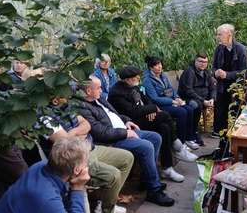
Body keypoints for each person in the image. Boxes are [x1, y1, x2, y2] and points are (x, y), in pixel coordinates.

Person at [75, 76, 175, 207]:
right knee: (146, 146)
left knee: (156, 138)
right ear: (88, 91)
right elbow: (100, 132)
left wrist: (126, 120)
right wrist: (125, 133)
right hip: (112, 140)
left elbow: (113, 115)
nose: (101, 90)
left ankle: (146, 179)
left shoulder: (98, 99)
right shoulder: (83, 107)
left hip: (121, 130)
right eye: (98, 88)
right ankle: (153, 191)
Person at [38, 95, 134, 213]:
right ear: (55, 100)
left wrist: (73, 133)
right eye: (64, 93)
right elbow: (66, 143)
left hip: (90, 147)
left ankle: (106, 202)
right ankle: (107, 210)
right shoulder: (45, 118)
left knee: (127, 158)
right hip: (75, 159)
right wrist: (79, 135)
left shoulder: (66, 107)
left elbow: (87, 124)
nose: (69, 95)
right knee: (113, 175)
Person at [108, 66, 197, 182]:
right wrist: (152, 108)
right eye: (135, 76)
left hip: (143, 118)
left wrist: (151, 109)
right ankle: (178, 147)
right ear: (127, 80)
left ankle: (167, 168)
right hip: (132, 124)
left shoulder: (132, 86)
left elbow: (146, 99)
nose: (138, 77)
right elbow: (132, 111)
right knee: (164, 115)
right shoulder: (116, 93)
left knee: (164, 127)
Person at [0, 136, 91, 213]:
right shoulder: (48, 199)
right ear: (76, 170)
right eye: (86, 163)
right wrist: (77, 188)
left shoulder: (41, 166)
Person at [142, 55, 199, 150]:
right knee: (182, 112)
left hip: (169, 101)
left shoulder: (162, 75)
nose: (160, 67)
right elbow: (154, 98)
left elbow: (171, 88)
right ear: (151, 68)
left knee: (189, 109)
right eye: (156, 65)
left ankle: (189, 138)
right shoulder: (147, 80)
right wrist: (172, 101)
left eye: (160, 64)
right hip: (159, 105)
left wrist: (177, 98)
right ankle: (180, 141)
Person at [212, 24, 247, 147]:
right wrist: (216, 72)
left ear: (229, 35)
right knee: (221, 119)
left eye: (220, 34)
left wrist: (227, 75)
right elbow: (214, 67)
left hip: (236, 90)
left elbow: (245, 73)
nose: (217, 37)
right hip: (222, 89)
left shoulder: (240, 49)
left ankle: (238, 148)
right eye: (217, 34)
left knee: (236, 119)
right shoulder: (219, 49)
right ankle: (222, 147)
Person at [177, 52, 216, 146]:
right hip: (187, 98)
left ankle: (217, 130)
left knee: (219, 102)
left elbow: (212, 87)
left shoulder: (206, 72)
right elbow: (188, 90)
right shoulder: (189, 72)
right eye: (201, 61)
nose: (203, 64)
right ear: (195, 61)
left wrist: (212, 99)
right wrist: (203, 101)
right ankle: (194, 131)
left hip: (203, 98)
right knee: (197, 105)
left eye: (205, 62)